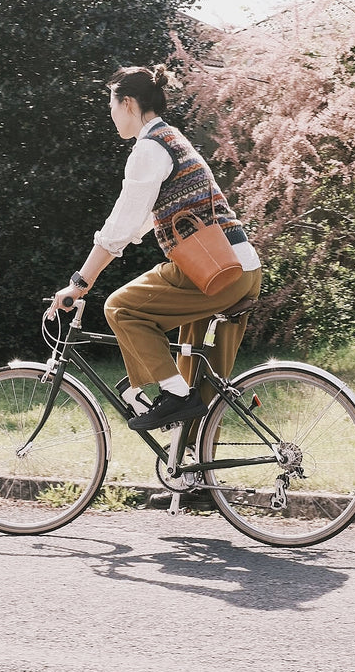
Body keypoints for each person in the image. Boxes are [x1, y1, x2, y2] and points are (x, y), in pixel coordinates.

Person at [49, 63, 261, 431]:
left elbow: (121, 226)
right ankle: (192, 480)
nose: (111, 116)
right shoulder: (171, 138)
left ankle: (174, 395)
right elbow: (143, 221)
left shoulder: (149, 148)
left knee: (122, 308)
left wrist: (80, 282)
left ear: (128, 103)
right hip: (235, 267)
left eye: (112, 107)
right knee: (198, 382)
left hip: (215, 271)